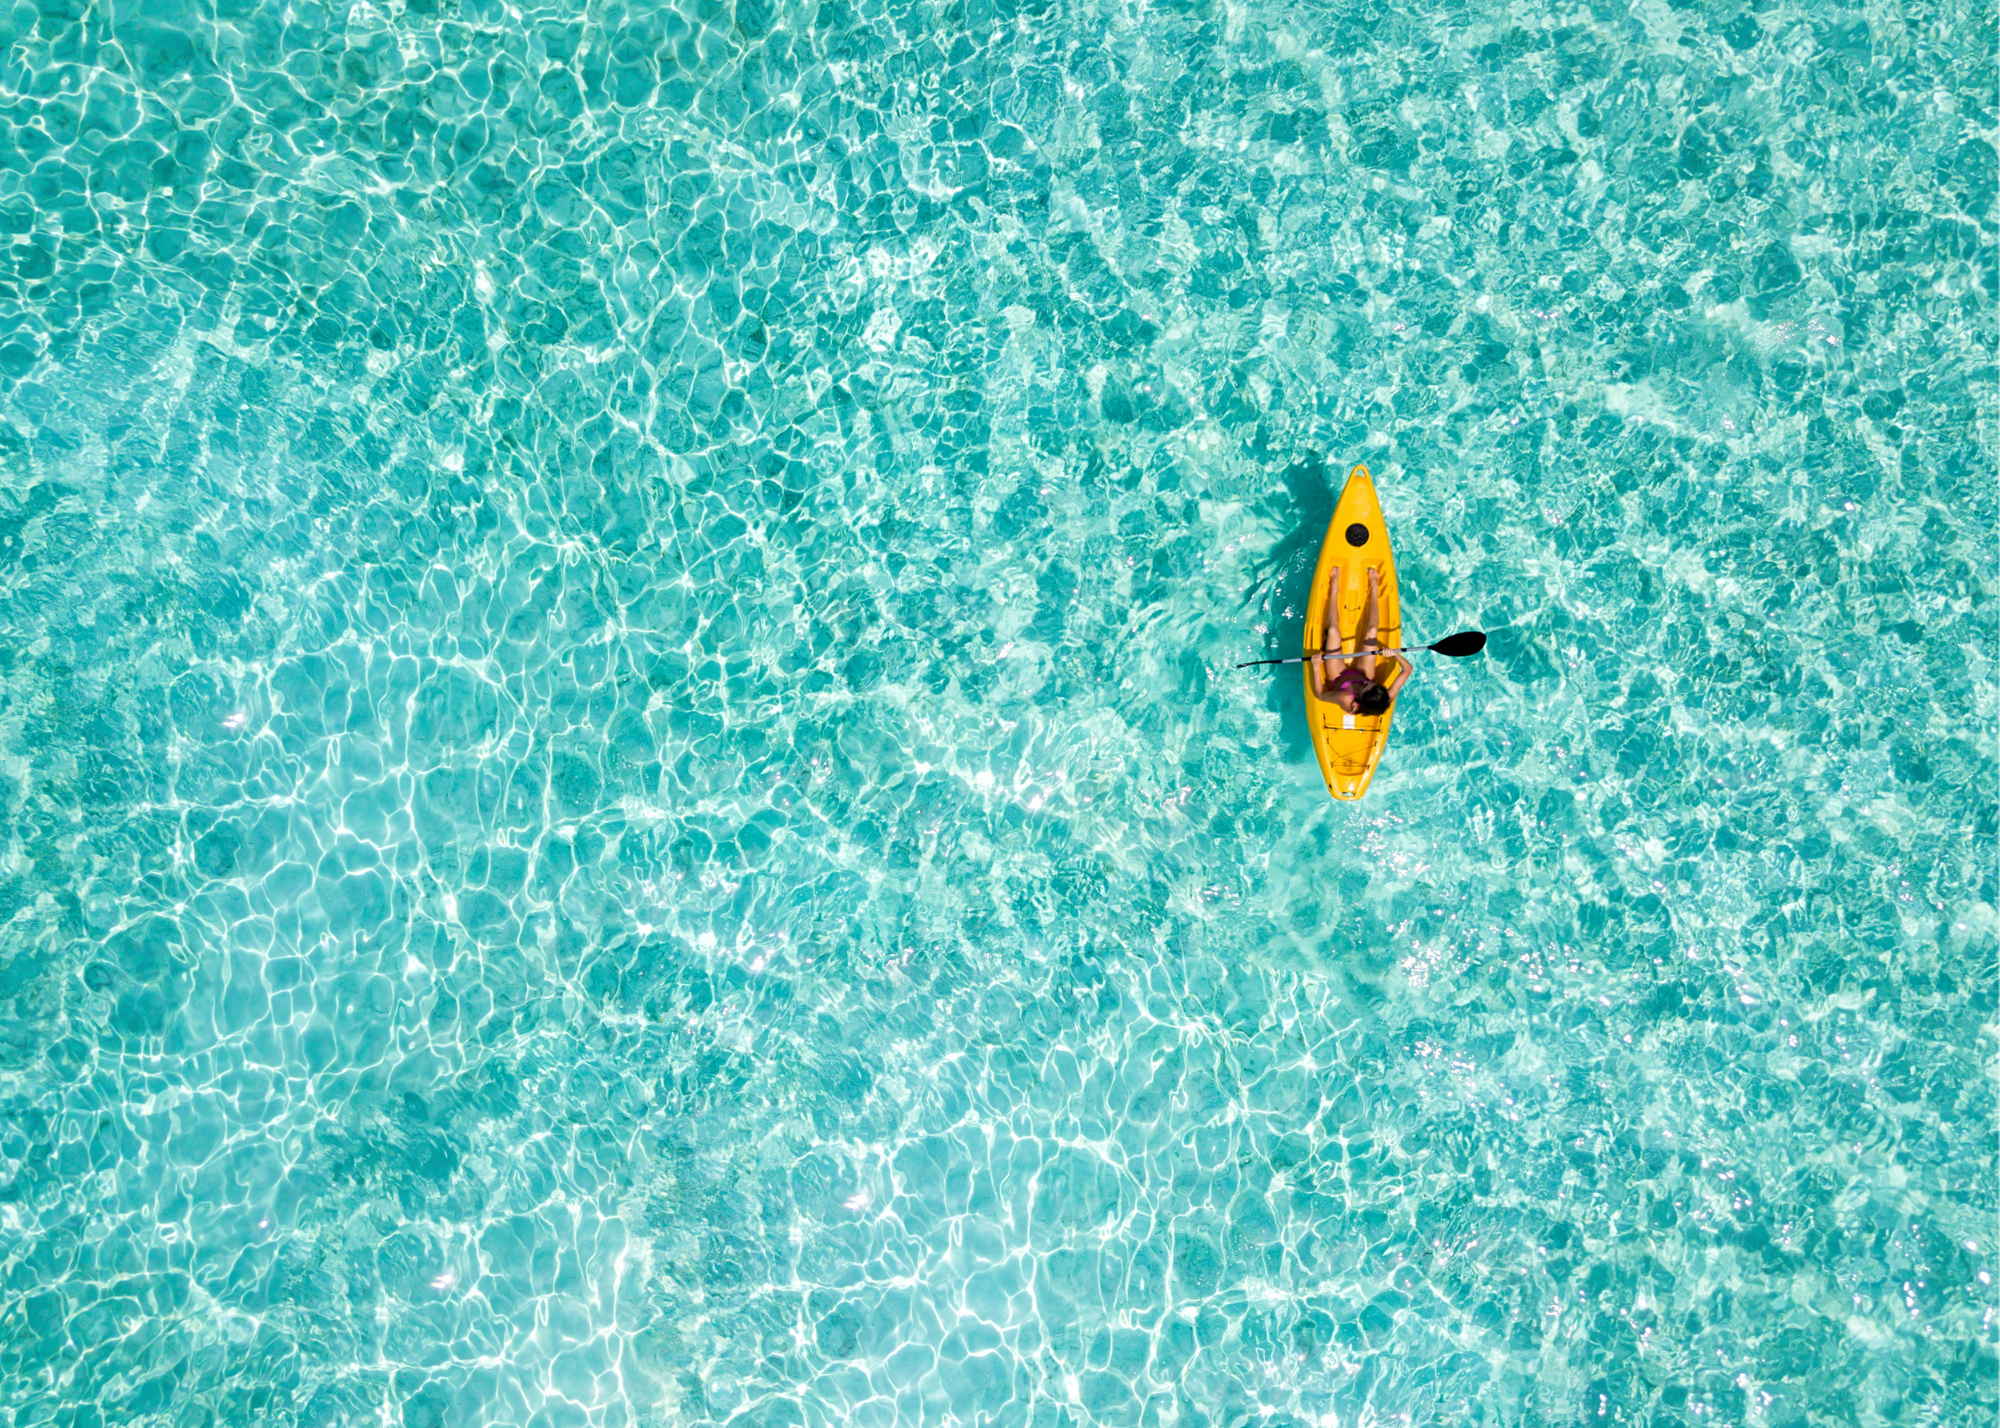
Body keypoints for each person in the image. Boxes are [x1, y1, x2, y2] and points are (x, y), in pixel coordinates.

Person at [1310, 567, 1410, 716]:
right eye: (1371, 683)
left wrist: (1316, 667)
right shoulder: (1383, 697)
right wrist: (1394, 654)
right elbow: (1408, 670)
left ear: (1361, 699)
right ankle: (1374, 590)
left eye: (1366, 687)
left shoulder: (1345, 698)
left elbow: (1319, 694)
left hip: (1340, 677)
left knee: (1332, 631)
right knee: (1372, 631)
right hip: (1363, 672)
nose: (1366, 682)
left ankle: (1334, 589)